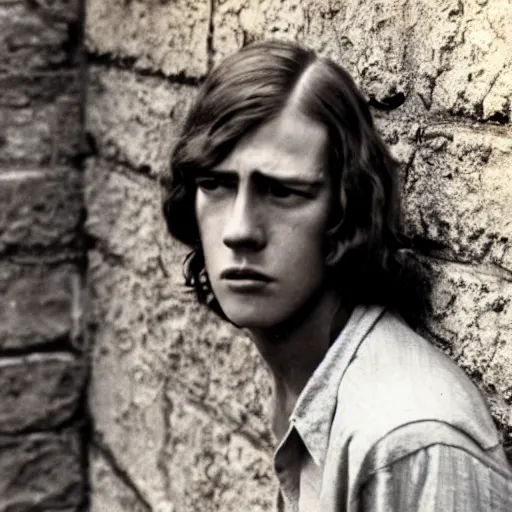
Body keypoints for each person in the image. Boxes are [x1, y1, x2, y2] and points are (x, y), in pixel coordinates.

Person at [162, 40, 512, 511]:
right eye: (216, 184)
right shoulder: (307, 379)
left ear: (346, 211)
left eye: (284, 191)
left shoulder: (407, 444)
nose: (240, 231)